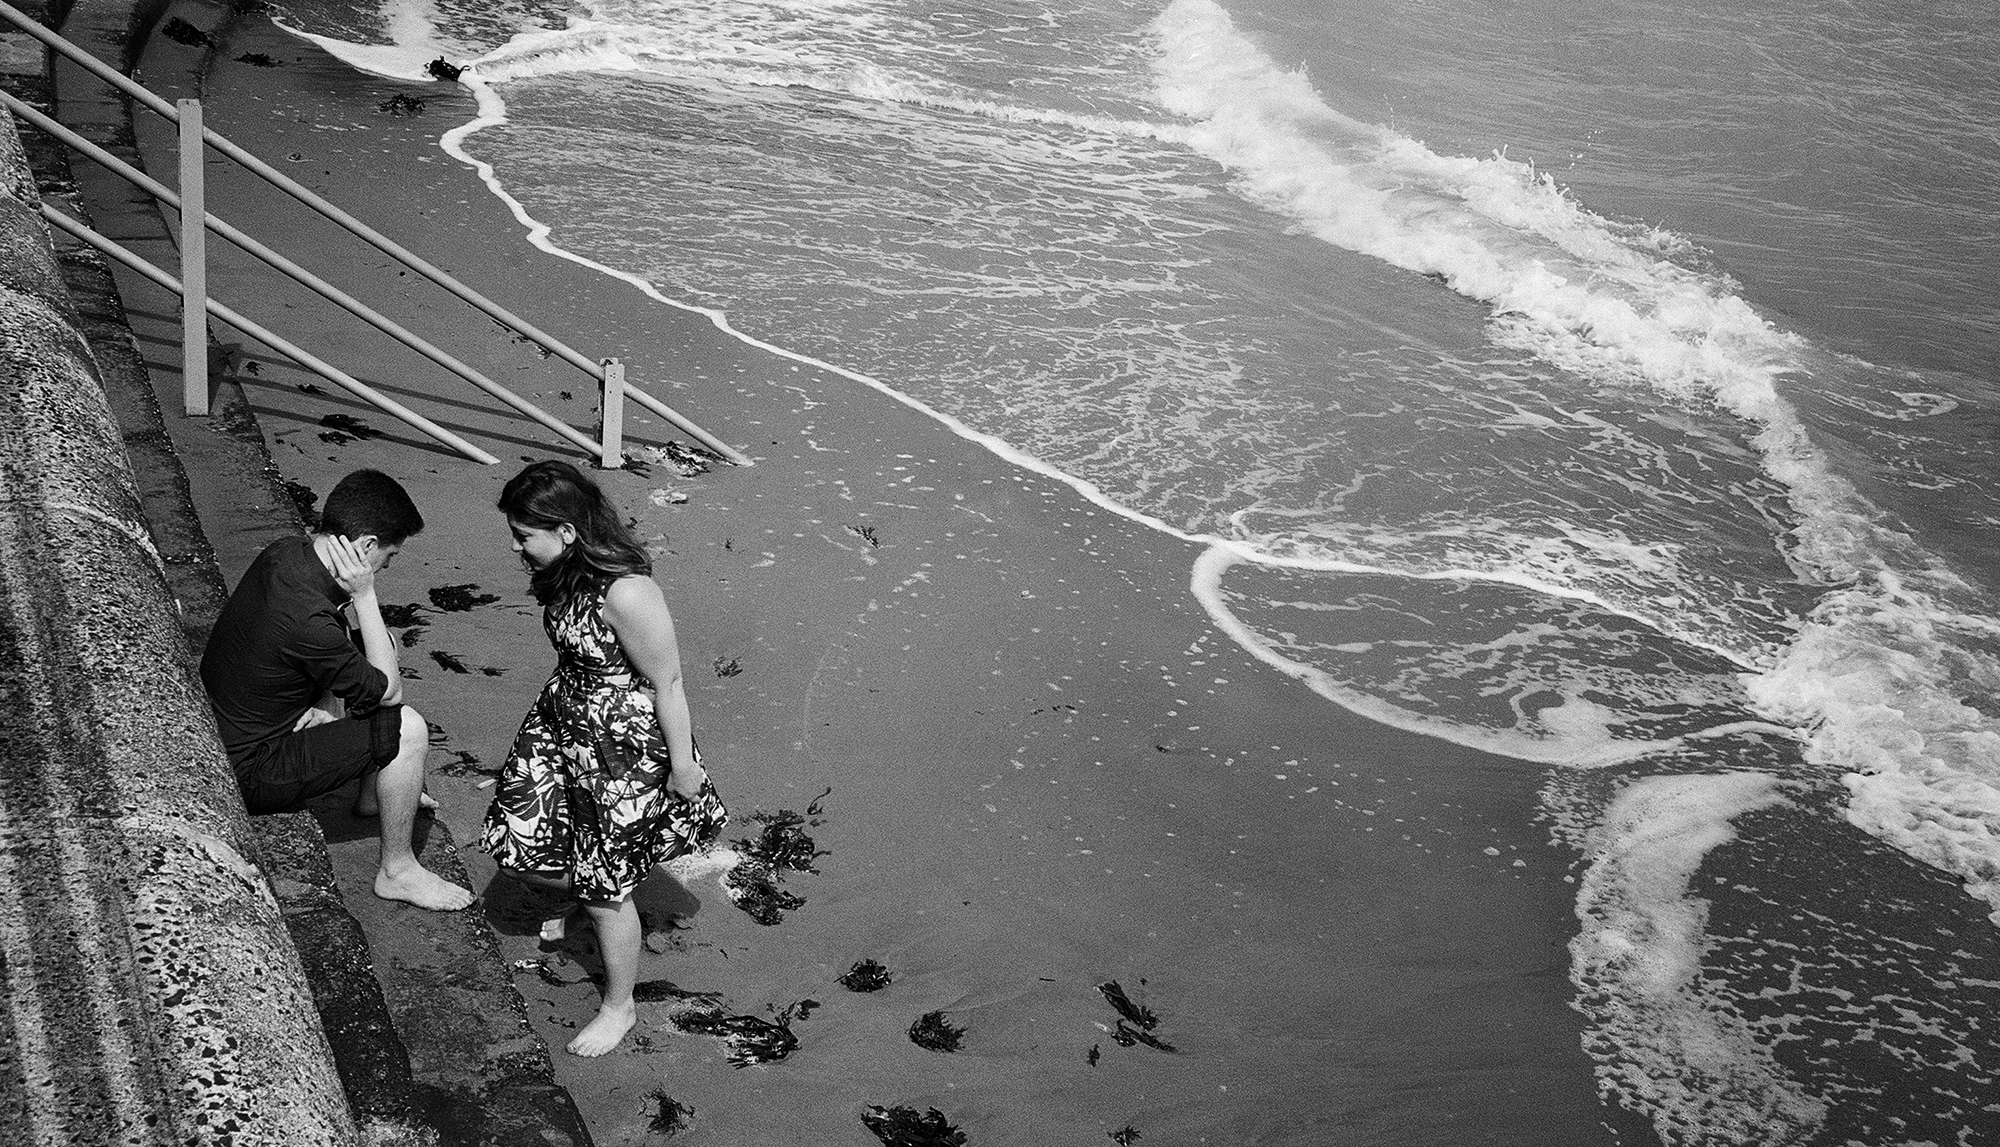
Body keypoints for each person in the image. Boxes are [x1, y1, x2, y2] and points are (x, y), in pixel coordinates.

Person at [483, 460, 728, 1057]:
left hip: (620, 751)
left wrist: (683, 766)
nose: (517, 547)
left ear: (567, 531)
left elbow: (667, 682)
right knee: (545, 838)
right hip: (566, 727)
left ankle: (619, 1006)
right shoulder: (569, 574)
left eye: (524, 535)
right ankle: (589, 909)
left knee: (604, 883)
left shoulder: (628, 591)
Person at [200, 469, 474, 912]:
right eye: (388, 556)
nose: (387, 565)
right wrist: (366, 594)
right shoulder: (308, 618)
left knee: (369, 649)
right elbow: (388, 693)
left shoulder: (286, 552)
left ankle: (375, 795)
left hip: (224, 732)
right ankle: (398, 871)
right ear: (365, 547)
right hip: (247, 770)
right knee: (406, 729)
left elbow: (330, 639)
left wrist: (328, 696)